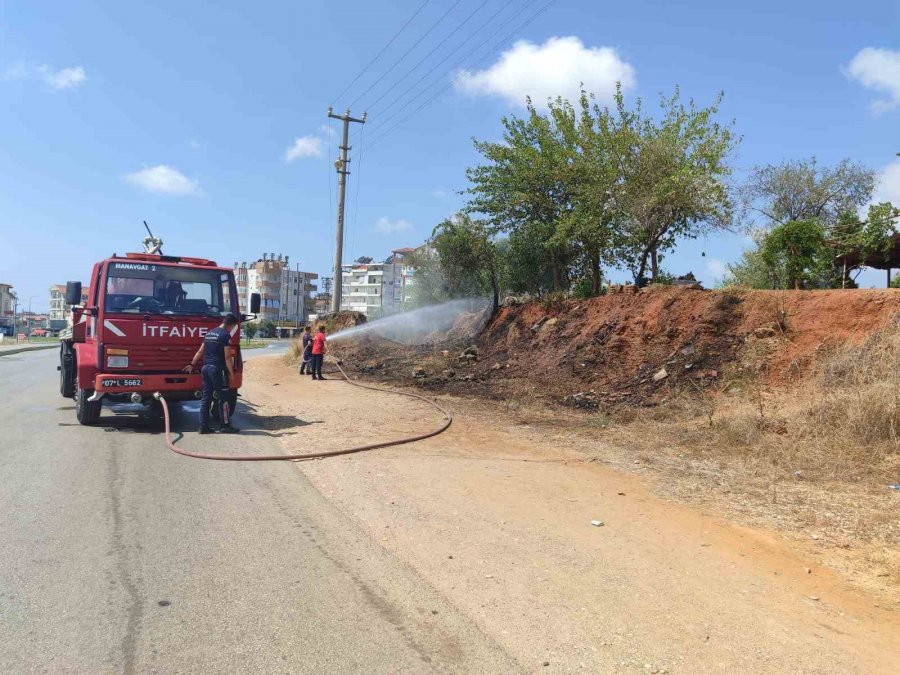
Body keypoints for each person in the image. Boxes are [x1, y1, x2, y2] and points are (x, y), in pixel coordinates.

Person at [183, 314, 240, 434]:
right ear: (231, 325)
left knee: (206, 398)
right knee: (223, 398)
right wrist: (231, 373)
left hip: (205, 368)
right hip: (217, 369)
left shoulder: (209, 333)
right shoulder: (225, 335)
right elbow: (227, 357)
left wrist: (192, 364)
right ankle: (225, 426)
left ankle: (203, 426)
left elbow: (200, 351)